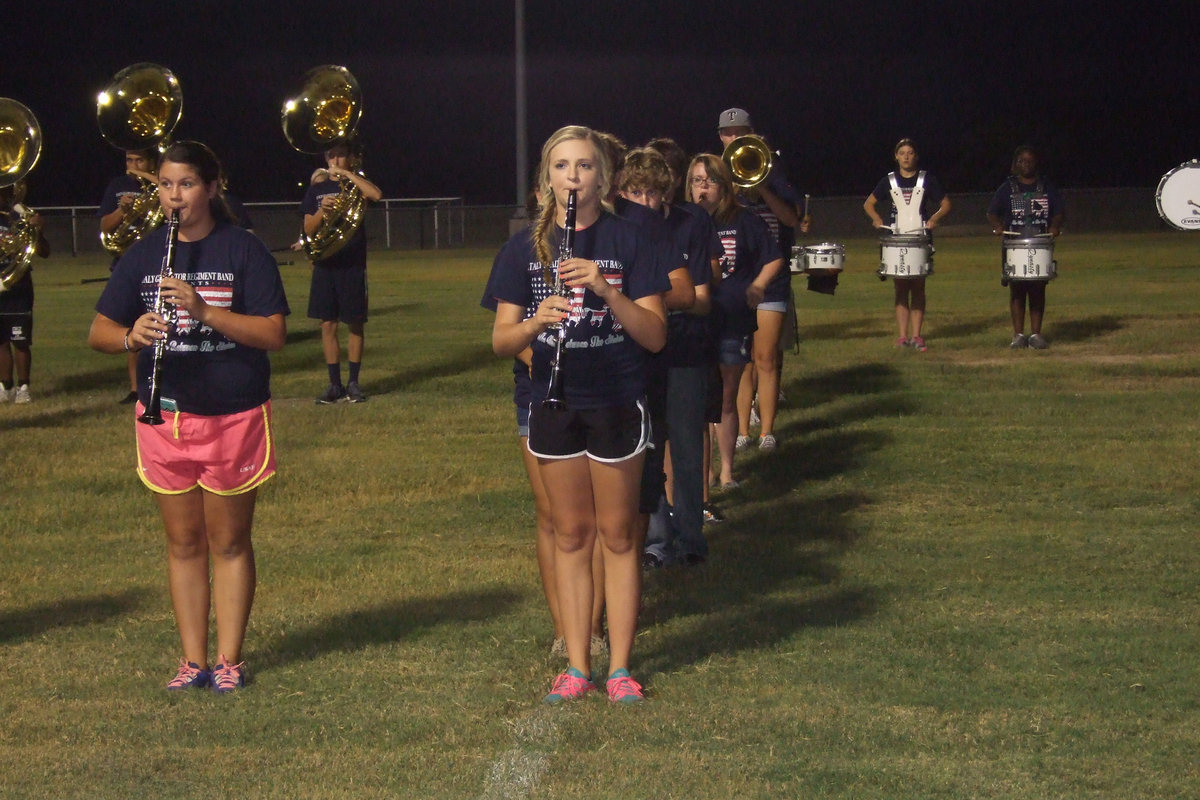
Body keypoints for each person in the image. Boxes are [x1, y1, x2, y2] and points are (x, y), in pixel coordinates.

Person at [88, 141, 289, 693]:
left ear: (212, 187)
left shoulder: (243, 250)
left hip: (233, 414)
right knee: (182, 544)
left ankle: (228, 659)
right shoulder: (146, 254)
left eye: (186, 184)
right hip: (165, 415)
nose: (174, 196)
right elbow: (99, 332)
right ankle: (191, 660)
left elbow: (272, 332)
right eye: (165, 185)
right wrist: (131, 334)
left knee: (227, 541)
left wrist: (204, 312)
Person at [485, 125, 669, 704]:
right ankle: (575, 663)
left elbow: (657, 336)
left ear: (603, 178)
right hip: (554, 403)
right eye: (562, 167)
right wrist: (539, 320)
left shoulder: (630, 239)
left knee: (617, 536)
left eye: (585, 167)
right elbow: (499, 341)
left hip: (616, 398)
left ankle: (618, 669)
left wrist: (608, 293)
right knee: (571, 534)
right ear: (547, 178)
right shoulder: (523, 249)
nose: (574, 178)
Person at [619, 146, 716, 568]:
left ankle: (691, 537)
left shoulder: (688, 223)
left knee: (687, 450)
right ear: (622, 191)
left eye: (654, 194)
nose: (646, 202)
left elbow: (698, 298)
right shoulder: (616, 229)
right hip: (639, 355)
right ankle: (657, 541)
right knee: (649, 449)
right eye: (637, 193)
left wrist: (642, 293)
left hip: (685, 349)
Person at [688, 153, 783, 491]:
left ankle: (726, 471)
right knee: (699, 402)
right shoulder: (685, 221)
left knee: (726, 399)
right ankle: (702, 477)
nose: (704, 188)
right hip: (694, 322)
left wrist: (757, 285)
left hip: (731, 319)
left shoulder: (744, 219)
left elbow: (773, 258)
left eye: (710, 180)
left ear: (723, 186)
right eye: (697, 180)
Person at [717, 108, 808, 451]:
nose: (734, 138)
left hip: (771, 279)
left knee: (765, 356)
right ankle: (741, 430)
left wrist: (764, 186)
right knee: (739, 359)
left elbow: (790, 218)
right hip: (735, 279)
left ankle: (767, 431)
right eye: (728, 133)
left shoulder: (773, 168)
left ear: (753, 134)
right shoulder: (717, 174)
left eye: (741, 132)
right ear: (721, 136)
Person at [302, 140, 382, 404]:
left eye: (340, 156)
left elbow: (376, 195)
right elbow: (308, 229)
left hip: (353, 265)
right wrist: (322, 213)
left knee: (355, 323)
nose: (335, 160)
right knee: (328, 324)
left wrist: (349, 176)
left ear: (349, 159)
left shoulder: (355, 185)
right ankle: (334, 384)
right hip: (326, 265)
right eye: (331, 156)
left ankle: (354, 383)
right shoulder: (317, 189)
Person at [863, 138, 951, 351]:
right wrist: (876, 219)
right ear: (896, 156)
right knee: (900, 287)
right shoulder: (889, 181)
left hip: (920, 238)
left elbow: (946, 203)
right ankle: (903, 336)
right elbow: (868, 204)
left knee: (918, 287)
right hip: (896, 239)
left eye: (910, 152)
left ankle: (917, 336)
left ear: (916, 156)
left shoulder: (926, 179)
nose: (906, 156)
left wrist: (935, 219)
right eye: (902, 153)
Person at [986, 146, 1065, 349]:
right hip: (1014, 245)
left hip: (1040, 244)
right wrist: (998, 227)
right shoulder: (1007, 188)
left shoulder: (1046, 187)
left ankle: (1036, 335)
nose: (1026, 164)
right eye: (1022, 161)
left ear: (1036, 163)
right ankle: (1018, 335)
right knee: (1017, 290)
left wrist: (1055, 226)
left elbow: (1058, 211)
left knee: (1038, 290)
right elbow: (992, 213)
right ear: (1015, 164)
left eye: (1030, 161)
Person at [98, 148, 159, 403]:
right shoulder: (118, 186)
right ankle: (136, 389)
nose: (132, 166)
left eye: (139, 160)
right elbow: (104, 227)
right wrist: (123, 211)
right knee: (134, 328)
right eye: (129, 160)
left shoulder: (161, 183)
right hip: (127, 262)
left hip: (157, 260)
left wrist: (150, 179)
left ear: (152, 162)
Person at [0, 182, 49, 404]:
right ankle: (5, 386)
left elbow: (44, 252)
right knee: (0, 341)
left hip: (19, 285)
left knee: (20, 340)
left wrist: (37, 230)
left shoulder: (22, 215)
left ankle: (23, 386)